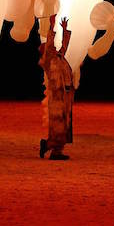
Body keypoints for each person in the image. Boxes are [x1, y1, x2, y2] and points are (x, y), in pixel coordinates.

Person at [39, 15, 74, 160]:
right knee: (57, 124)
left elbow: (64, 45)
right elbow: (49, 43)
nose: (52, 47)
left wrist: (64, 29)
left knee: (65, 123)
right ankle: (51, 148)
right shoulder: (48, 60)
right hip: (55, 96)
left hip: (65, 94)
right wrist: (51, 25)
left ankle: (53, 149)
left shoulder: (60, 57)